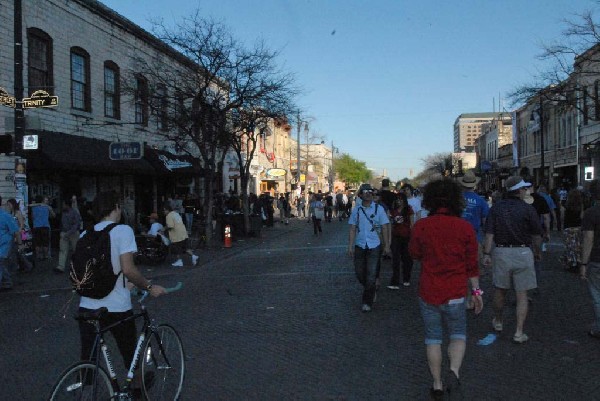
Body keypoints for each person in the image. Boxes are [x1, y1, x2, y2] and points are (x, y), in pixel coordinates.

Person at [77, 191, 168, 391]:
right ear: (116, 208)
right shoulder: (123, 231)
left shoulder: (85, 234)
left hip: (87, 305)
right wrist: (149, 287)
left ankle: (84, 390)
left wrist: (124, 283)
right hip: (115, 306)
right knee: (130, 354)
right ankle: (137, 388)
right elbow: (128, 268)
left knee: (88, 359)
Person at [409, 178, 482, 401]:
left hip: (429, 290)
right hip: (456, 292)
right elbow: (472, 265)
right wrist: (477, 293)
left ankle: (437, 383)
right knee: (458, 334)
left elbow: (414, 253)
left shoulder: (422, 225)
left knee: (433, 338)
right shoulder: (465, 227)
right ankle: (455, 371)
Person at [483, 176, 542, 344]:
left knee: (500, 289)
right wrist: (537, 252)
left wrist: (487, 253)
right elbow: (536, 235)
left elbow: (489, 233)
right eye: (524, 189)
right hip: (523, 251)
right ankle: (519, 331)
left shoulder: (496, 208)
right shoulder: (528, 209)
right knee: (522, 294)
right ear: (519, 191)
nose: (526, 191)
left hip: (501, 251)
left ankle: (499, 320)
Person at [347, 183, 391, 312]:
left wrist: (387, 245)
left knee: (371, 274)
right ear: (360, 195)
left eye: (370, 191)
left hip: (374, 245)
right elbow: (352, 228)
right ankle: (371, 288)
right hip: (360, 244)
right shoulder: (357, 210)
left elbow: (384, 226)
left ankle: (367, 301)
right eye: (365, 191)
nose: (368, 193)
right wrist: (350, 246)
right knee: (360, 273)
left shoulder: (379, 209)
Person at [457, 171, 489, 309]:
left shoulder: (457, 200)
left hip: (457, 238)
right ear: (475, 185)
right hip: (475, 238)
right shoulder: (481, 201)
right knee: (474, 269)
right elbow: (485, 221)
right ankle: (473, 295)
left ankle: (463, 296)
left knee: (459, 268)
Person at [580, 179, 600, 339]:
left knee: (597, 295)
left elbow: (588, 238)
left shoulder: (591, 213)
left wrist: (583, 263)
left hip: (596, 259)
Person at [387, 193, 414, 289]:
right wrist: (389, 239)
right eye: (397, 199)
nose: (399, 201)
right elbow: (389, 224)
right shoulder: (392, 211)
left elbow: (412, 224)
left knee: (407, 259)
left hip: (407, 236)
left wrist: (413, 237)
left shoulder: (408, 209)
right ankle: (395, 281)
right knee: (395, 259)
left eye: (401, 199)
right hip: (396, 236)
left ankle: (406, 278)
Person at [164, 202, 198, 267]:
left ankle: (180, 261)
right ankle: (194, 256)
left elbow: (170, 226)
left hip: (177, 236)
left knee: (177, 249)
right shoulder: (176, 214)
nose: (164, 212)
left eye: (164, 210)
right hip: (183, 233)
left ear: (167, 210)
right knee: (185, 248)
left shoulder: (169, 216)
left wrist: (164, 229)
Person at [54, 198, 82, 273]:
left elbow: (76, 225)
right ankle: (61, 267)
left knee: (76, 250)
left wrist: (67, 233)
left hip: (73, 233)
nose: (62, 205)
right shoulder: (65, 212)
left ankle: (78, 266)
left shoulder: (74, 212)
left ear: (67, 205)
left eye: (63, 204)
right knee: (63, 249)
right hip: (65, 232)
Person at [0, 197, 21, 291]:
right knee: (2, 265)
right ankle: (7, 283)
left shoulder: (6, 216)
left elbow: (16, 231)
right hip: (4, 244)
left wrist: (20, 244)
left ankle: (7, 282)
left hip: (4, 245)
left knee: (1, 263)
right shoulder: (6, 216)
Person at [560, 189, 584, 270]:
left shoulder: (565, 206)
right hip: (578, 228)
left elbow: (562, 218)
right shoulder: (581, 206)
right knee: (578, 247)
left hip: (568, 228)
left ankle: (570, 263)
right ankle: (577, 262)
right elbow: (582, 217)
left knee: (569, 247)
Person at [31, 195, 55, 261]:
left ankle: (39, 256)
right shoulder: (47, 207)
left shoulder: (33, 207)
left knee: (38, 243)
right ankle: (46, 255)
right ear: (42, 200)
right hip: (45, 226)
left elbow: (32, 217)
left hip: (36, 226)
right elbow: (53, 215)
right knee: (45, 242)